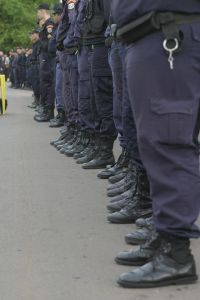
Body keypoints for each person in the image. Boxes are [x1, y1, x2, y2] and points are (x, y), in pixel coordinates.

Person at [111, 0, 200, 288]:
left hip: (169, 31)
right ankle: (166, 237)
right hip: (161, 31)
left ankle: (175, 253)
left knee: (167, 142)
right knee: (159, 142)